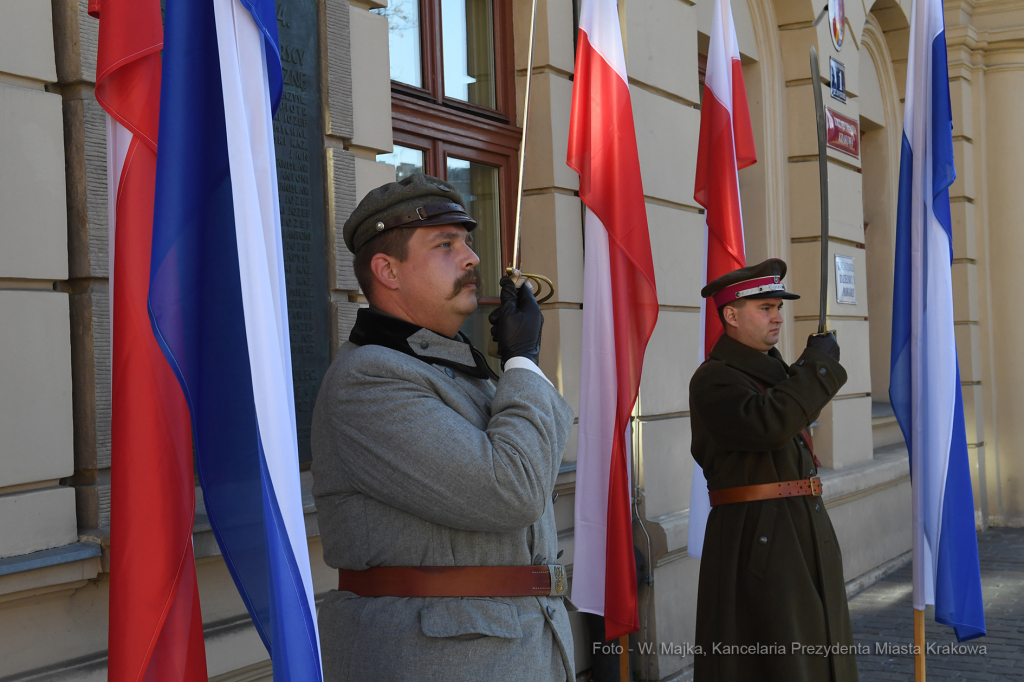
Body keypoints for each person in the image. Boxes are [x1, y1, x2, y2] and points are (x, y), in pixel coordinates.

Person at [311, 173, 576, 681]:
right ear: (387, 270)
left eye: (469, 243)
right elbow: (512, 489)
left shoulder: (446, 366)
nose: (472, 258)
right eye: (445, 244)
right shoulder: (369, 380)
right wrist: (522, 362)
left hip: (504, 650)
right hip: (441, 661)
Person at [689, 258, 859, 682]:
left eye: (778, 308)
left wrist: (807, 369)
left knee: (817, 652)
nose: (778, 317)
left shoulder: (775, 374)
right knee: (777, 660)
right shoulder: (714, 379)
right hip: (756, 542)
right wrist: (816, 368)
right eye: (765, 308)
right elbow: (768, 423)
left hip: (799, 530)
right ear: (731, 315)